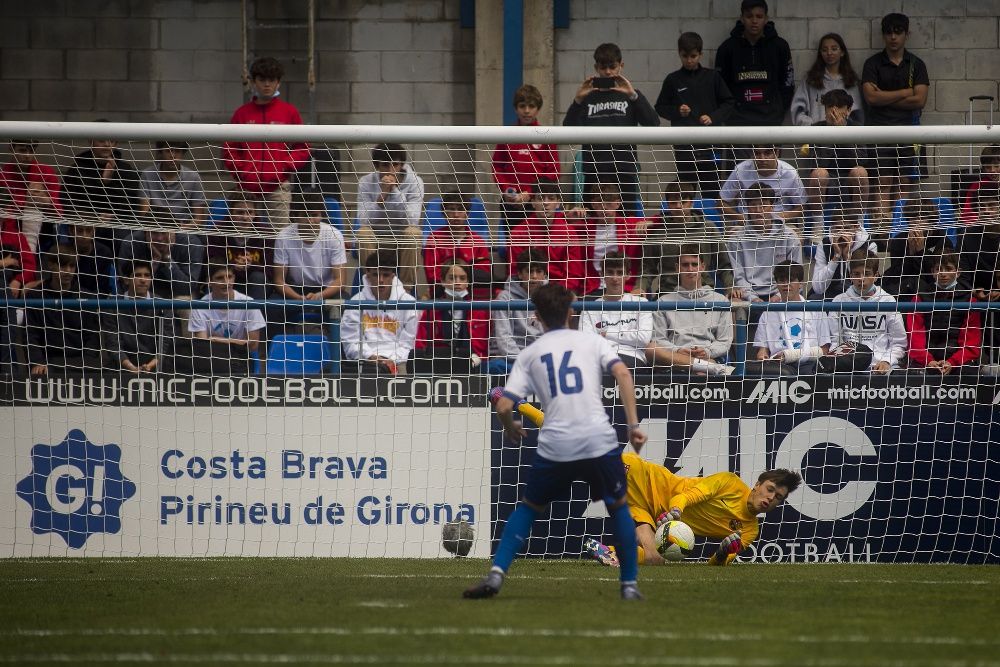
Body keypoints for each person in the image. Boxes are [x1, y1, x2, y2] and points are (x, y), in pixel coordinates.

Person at [464, 282, 648, 600]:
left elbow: (505, 405)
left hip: (557, 445)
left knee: (528, 507)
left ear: (536, 316)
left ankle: (495, 576)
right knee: (618, 507)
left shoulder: (530, 353)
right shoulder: (592, 341)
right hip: (597, 441)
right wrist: (633, 425)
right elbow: (623, 375)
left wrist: (509, 426)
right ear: (571, 311)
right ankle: (629, 585)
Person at [588, 452, 801, 566]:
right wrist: (675, 512)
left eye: (778, 497)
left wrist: (722, 553)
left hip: (647, 509)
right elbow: (683, 496)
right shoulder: (730, 483)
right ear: (757, 485)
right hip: (644, 479)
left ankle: (609, 553)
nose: (770, 497)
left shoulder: (750, 530)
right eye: (769, 489)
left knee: (655, 559)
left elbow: (719, 562)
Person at [562, 42, 659, 216]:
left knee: (625, 224)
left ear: (621, 66)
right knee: (592, 223)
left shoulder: (631, 95)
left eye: (612, 67)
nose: (608, 72)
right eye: (603, 67)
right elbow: (567, 130)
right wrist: (577, 100)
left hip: (624, 170)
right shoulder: (587, 98)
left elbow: (653, 123)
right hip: (594, 171)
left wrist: (634, 95)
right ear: (596, 67)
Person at [222, 56, 309, 229]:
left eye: (271, 80)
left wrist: (284, 165)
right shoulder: (242, 114)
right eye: (262, 80)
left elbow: (303, 146)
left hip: (277, 189)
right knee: (244, 237)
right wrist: (242, 171)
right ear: (253, 82)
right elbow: (229, 148)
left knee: (278, 239)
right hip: (245, 190)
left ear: (278, 83)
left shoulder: (289, 112)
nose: (267, 84)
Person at [861, 13, 930, 222]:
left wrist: (885, 96)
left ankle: (899, 227)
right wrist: (904, 92)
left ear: (906, 34)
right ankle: (882, 231)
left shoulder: (916, 64)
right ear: (883, 35)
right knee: (882, 182)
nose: (893, 37)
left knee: (904, 181)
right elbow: (871, 98)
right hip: (879, 132)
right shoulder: (872, 63)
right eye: (889, 32)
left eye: (898, 32)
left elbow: (920, 100)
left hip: (908, 131)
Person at [654, 32, 733, 195]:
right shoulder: (673, 79)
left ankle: (709, 221)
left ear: (700, 54)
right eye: (685, 56)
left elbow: (729, 103)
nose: (689, 60)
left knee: (711, 189)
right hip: (685, 146)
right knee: (686, 189)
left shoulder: (713, 77)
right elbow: (660, 107)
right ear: (679, 54)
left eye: (693, 56)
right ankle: (689, 220)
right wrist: (677, 111)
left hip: (711, 144)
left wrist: (713, 117)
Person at [646, 244, 734, 376]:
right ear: (677, 268)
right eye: (685, 265)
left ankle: (703, 367)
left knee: (701, 372)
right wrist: (678, 350)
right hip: (674, 358)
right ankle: (708, 367)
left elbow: (724, 340)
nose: (690, 269)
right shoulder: (663, 302)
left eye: (694, 264)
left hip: (708, 356)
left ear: (702, 267)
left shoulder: (721, 301)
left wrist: (707, 351)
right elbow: (659, 339)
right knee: (651, 349)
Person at [355, 142, 425, 296]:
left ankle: (406, 291)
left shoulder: (415, 182)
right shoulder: (365, 182)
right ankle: (372, 289)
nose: (391, 170)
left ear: (402, 164)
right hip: (376, 237)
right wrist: (381, 198)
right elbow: (363, 220)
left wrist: (394, 191)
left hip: (401, 238)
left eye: (396, 164)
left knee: (413, 233)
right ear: (377, 165)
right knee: (363, 233)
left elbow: (412, 220)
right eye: (385, 165)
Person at [822, 250, 907, 374]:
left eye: (867, 274)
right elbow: (835, 342)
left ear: (876, 275)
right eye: (856, 274)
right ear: (850, 275)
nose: (861, 279)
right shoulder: (839, 301)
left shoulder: (888, 301)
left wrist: (887, 361)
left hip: (881, 367)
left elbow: (899, 343)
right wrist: (840, 363)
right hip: (848, 367)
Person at [643, 181, 731, 297]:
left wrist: (730, 287)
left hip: (703, 293)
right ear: (668, 205)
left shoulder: (708, 228)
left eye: (683, 202)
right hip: (668, 294)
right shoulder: (658, 232)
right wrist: (640, 288)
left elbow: (724, 264)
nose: (679, 206)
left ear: (692, 203)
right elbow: (647, 269)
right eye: (673, 203)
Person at [715, 0, 794, 128]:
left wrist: (778, 110)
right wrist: (729, 113)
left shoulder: (780, 46)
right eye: (749, 16)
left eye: (759, 16)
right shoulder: (727, 48)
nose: (754, 21)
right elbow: (719, 86)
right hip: (737, 123)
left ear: (766, 18)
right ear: (742, 18)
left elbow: (788, 83)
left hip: (771, 121)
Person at [340, 249, 419, 375]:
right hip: (364, 362)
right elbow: (350, 342)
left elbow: (408, 344)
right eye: (376, 275)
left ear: (393, 276)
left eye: (386, 275)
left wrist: (391, 360)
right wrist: (370, 356)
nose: (381, 280)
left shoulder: (408, 303)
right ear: (368, 275)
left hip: (399, 362)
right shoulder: (355, 302)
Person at [24, 246, 100, 376]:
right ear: (51, 265)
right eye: (63, 266)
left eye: (72, 266)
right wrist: (37, 362)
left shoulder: (87, 297)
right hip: (48, 363)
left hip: (79, 364)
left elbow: (92, 338)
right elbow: (31, 336)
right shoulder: (35, 296)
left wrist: (87, 363)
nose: (68, 271)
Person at [492, 84, 561, 227]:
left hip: (539, 200)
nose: (527, 111)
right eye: (522, 106)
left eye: (531, 106)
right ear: (516, 108)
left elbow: (554, 170)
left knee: (538, 245)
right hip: (511, 201)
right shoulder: (507, 134)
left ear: (538, 109)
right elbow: (497, 166)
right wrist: (507, 190)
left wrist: (530, 193)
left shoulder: (546, 135)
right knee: (514, 244)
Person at [800, 89, 871, 227]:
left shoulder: (857, 128)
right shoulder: (815, 128)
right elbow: (818, 163)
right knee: (818, 174)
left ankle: (859, 223)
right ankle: (818, 224)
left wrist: (841, 133)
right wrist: (831, 133)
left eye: (838, 107)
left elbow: (860, 160)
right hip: (826, 180)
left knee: (860, 172)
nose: (833, 112)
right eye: (829, 107)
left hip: (849, 178)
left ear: (848, 110)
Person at [272, 191, 348, 319]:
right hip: (294, 290)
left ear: (321, 215)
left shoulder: (335, 235)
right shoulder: (283, 236)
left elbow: (340, 281)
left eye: (314, 215)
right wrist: (299, 298)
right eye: (305, 215)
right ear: (296, 216)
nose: (310, 220)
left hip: (327, 291)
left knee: (343, 305)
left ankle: (336, 339)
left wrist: (319, 296)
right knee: (272, 307)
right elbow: (279, 281)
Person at [906, 251, 981, 375]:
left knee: (970, 373)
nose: (943, 273)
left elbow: (971, 341)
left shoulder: (970, 300)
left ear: (958, 272)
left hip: (958, 362)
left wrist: (953, 362)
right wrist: (928, 360)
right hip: (926, 361)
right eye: (938, 269)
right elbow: (915, 336)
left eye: (948, 269)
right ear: (932, 272)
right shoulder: (920, 298)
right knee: (913, 373)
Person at [569, 181, 649, 297]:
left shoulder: (630, 224)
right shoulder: (583, 227)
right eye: (599, 203)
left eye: (608, 203)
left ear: (618, 203)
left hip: (625, 288)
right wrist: (566, 216)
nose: (604, 207)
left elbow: (663, 219)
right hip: (592, 289)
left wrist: (651, 222)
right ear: (593, 204)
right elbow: (554, 225)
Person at [727, 184, 803, 303]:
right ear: (747, 208)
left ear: (772, 206)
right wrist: (753, 298)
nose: (758, 211)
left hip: (783, 293)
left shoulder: (789, 236)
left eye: (763, 205)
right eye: (753, 206)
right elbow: (739, 276)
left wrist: (778, 296)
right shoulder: (735, 240)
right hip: (749, 296)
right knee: (736, 303)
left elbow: (797, 274)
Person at [749, 261, 828, 375]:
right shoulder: (768, 312)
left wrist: (790, 356)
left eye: (791, 280)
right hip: (778, 365)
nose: (786, 284)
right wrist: (763, 357)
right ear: (776, 284)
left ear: (800, 283)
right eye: (782, 280)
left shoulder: (816, 310)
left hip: (810, 364)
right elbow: (762, 350)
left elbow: (824, 350)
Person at [577, 252, 652, 368]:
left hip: (633, 358)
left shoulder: (641, 303)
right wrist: (628, 338)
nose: (615, 278)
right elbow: (586, 343)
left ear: (628, 275)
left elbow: (644, 339)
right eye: (610, 272)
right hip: (600, 357)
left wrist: (607, 334)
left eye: (620, 273)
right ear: (602, 274)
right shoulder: (589, 308)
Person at [414, 259, 489, 374]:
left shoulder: (479, 311)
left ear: (468, 282)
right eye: (452, 278)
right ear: (443, 281)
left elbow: (483, 347)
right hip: (437, 364)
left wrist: (477, 358)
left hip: (473, 364)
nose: (457, 282)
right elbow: (420, 345)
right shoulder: (431, 311)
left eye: (462, 278)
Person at [63, 130, 142, 238]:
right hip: (85, 225)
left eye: (111, 141)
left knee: (123, 236)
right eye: (101, 140)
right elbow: (67, 202)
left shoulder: (126, 170)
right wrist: (94, 217)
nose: (107, 144)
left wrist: (109, 183)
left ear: (116, 144)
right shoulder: (76, 170)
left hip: (118, 225)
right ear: (91, 142)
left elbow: (131, 205)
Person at [506, 179, 582, 290]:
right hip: (527, 291)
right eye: (540, 198)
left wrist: (555, 294)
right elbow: (514, 273)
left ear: (558, 203)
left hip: (559, 293)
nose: (545, 203)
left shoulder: (569, 233)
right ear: (532, 202)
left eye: (551, 199)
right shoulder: (518, 234)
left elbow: (573, 276)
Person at [117, 211, 206, 299]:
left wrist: (167, 259)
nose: (160, 238)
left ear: (174, 232)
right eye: (155, 233)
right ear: (145, 233)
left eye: (164, 233)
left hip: (177, 295)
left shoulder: (191, 245)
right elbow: (125, 284)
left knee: (186, 302)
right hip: (142, 294)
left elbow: (187, 289)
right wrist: (155, 262)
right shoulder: (131, 244)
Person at [488, 249, 548, 373]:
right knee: (495, 366)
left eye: (539, 271)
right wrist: (524, 363)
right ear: (520, 274)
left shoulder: (550, 297)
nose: (534, 276)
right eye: (529, 271)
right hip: (511, 360)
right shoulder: (505, 297)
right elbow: (503, 337)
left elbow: (552, 336)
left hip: (540, 360)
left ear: (545, 275)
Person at [187, 264, 267, 356]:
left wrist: (217, 340)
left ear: (234, 278)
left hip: (241, 358)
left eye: (229, 277)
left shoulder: (249, 302)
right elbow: (203, 347)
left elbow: (253, 345)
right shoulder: (199, 307)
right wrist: (238, 343)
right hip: (212, 358)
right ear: (209, 280)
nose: (226, 282)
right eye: (219, 278)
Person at [882, 199, 954, 300]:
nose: (916, 222)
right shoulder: (899, 241)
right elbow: (896, 277)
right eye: (912, 218)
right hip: (904, 289)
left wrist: (921, 251)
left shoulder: (943, 241)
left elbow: (936, 277)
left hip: (932, 292)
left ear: (931, 221)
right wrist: (910, 254)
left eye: (922, 218)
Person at [720, 146, 805, 228]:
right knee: (731, 235)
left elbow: (802, 206)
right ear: (752, 155)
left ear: (777, 153)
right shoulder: (740, 170)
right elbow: (721, 203)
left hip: (781, 223)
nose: (762, 159)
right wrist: (741, 218)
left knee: (797, 237)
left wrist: (780, 217)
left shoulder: (790, 173)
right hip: (747, 223)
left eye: (767, 153)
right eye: (757, 153)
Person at [205, 194, 270, 301]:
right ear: (230, 213)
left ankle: (256, 316)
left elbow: (271, 271)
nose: (245, 218)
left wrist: (251, 264)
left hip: (256, 285)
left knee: (258, 277)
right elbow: (210, 265)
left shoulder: (266, 234)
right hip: (227, 282)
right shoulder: (216, 233)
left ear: (255, 214)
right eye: (240, 212)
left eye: (250, 212)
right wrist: (233, 265)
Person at [422, 190, 491, 290]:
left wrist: (461, 282)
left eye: (460, 209)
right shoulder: (434, 239)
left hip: (472, 293)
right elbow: (431, 274)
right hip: (443, 293)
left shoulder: (477, 241)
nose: (456, 214)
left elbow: (485, 272)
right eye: (451, 209)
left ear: (467, 214)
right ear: (444, 213)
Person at [0, 140, 62, 252]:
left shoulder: (47, 172)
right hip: (9, 231)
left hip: (42, 234)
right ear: (11, 149)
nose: (28, 155)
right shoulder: (4, 173)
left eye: (31, 151)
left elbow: (58, 213)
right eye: (22, 150)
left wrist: (46, 201)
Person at [102, 260, 162, 374]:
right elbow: (112, 342)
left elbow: (165, 343)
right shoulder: (112, 304)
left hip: (154, 365)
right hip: (120, 365)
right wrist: (131, 367)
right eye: (137, 275)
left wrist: (149, 366)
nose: (143, 280)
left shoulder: (162, 304)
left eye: (147, 275)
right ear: (126, 279)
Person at [791, 33, 864, 126]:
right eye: (824, 50)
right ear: (820, 53)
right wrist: (812, 127)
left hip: (845, 136)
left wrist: (845, 125)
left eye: (834, 49)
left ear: (842, 52)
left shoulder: (851, 80)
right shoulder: (810, 79)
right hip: (816, 136)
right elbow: (798, 109)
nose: (829, 53)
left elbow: (857, 113)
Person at [809, 204, 879, 300]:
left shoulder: (869, 245)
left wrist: (847, 258)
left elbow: (868, 283)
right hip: (830, 294)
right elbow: (818, 288)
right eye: (837, 229)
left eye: (847, 228)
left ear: (856, 228)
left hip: (859, 295)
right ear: (831, 229)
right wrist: (836, 257)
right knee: (814, 298)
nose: (841, 234)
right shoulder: (824, 245)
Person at [139, 141, 208, 229]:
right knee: (129, 241)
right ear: (160, 153)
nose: (173, 156)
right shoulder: (147, 174)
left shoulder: (193, 177)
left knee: (195, 242)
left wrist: (181, 229)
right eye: (168, 151)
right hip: (154, 228)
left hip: (184, 228)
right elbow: (144, 213)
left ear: (183, 154)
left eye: (178, 151)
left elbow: (199, 218)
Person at [68, 223, 116, 295]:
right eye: (80, 231)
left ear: (94, 231)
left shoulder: (104, 253)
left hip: (95, 302)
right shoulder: (63, 252)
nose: (84, 236)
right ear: (71, 231)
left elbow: (102, 290)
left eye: (88, 230)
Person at [959, 145, 1000, 224]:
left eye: (997, 166)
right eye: (987, 167)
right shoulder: (976, 186)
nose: (992, 170)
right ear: (983, 168)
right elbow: (967, 215)